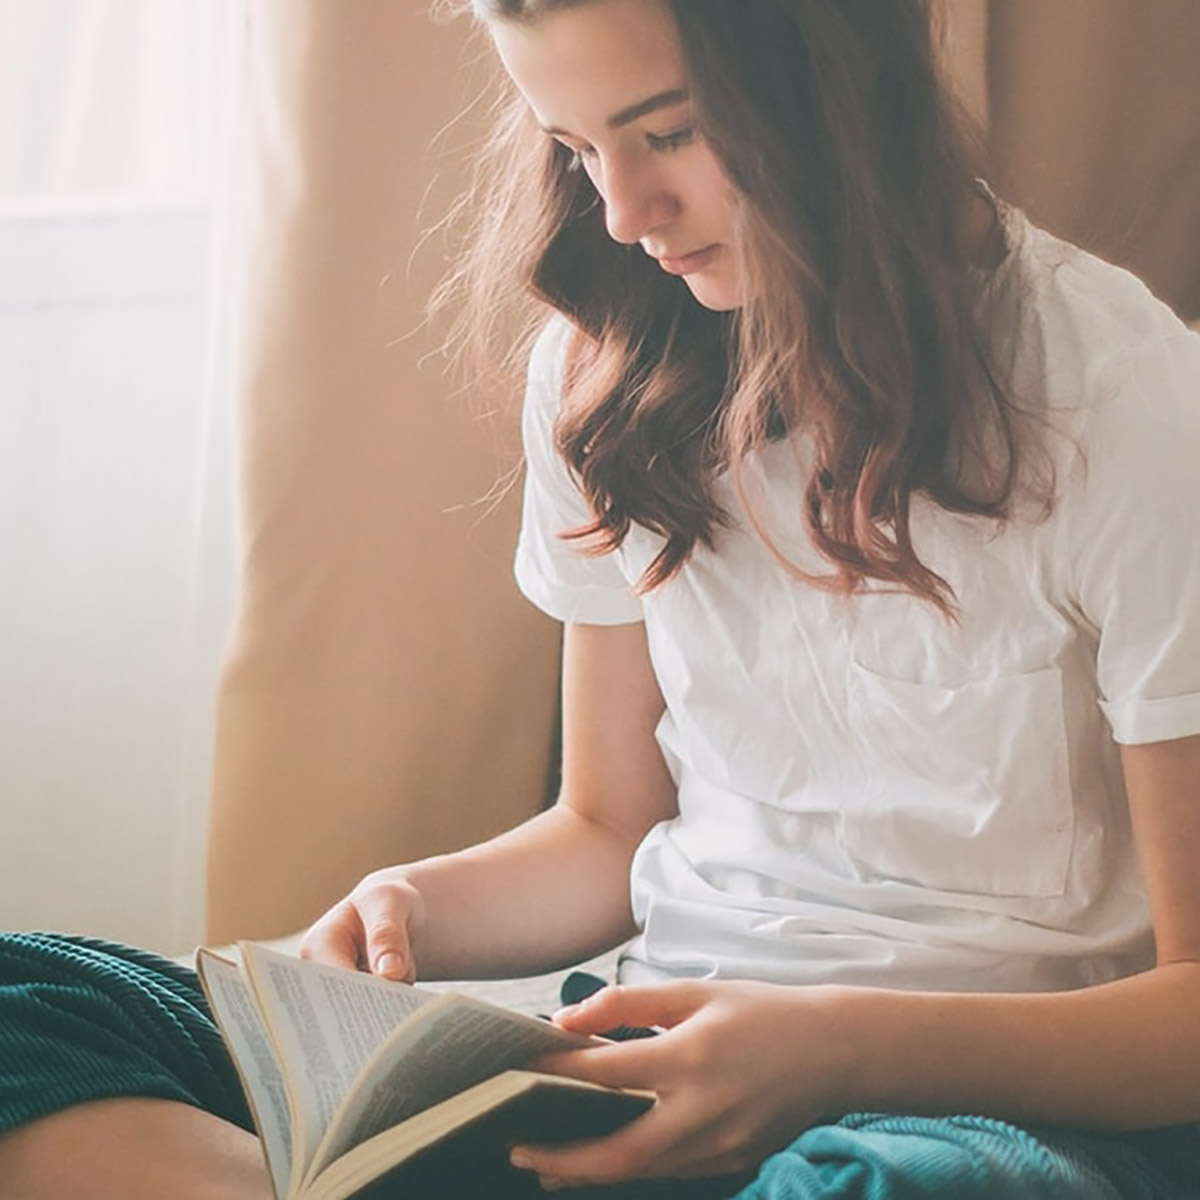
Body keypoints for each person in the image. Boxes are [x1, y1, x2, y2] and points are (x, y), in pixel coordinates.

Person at [3, 1, 1200, 1197]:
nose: (623, 217)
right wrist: (408, 902)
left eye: (668, 135)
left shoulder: (1120, 399)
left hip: (970, 1104)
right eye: (575, 149)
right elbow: (608, 827)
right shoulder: (605, 368)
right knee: (28, 1002)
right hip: (643, 1048)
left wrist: (832, 1048)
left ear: (843, 86)